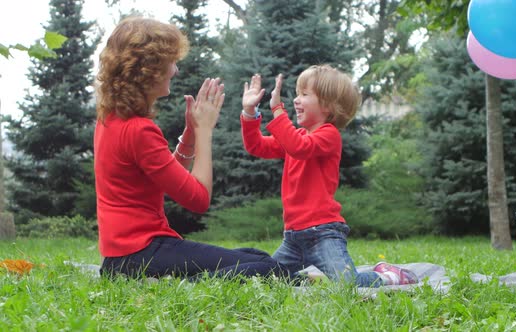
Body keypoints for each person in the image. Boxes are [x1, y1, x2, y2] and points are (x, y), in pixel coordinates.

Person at [94, 16, 289, 281]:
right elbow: (198, 199)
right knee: (270, 268)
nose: (175, 70)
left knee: (256, 257)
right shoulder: (140, 129)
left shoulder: (110, 119)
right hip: (143, 254)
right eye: (170, 62)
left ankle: (185, 281)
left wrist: (189, 136)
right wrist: (205, 129)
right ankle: (187, 285)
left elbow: (167, 181)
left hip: (122, 259)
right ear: (150, 70)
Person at [240, 65, 418, 287]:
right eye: (297, 93)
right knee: (270, 281)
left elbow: (300, 148)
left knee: (348, 285)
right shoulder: (296, 137)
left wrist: (277, 110)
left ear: (328, 106)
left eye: (304, 94)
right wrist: (249, 112)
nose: (296, 100)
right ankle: (311, 278)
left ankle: (386, 275)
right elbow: (256, 146)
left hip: (323, 234)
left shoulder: (328, 135)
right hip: (293, 239)